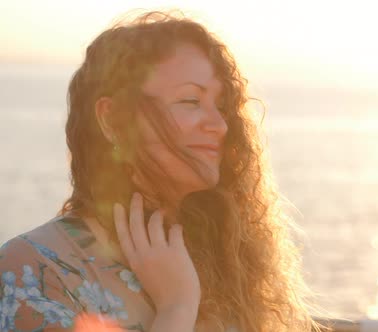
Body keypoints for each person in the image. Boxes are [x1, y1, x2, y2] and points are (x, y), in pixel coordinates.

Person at [0, 10, 326, 332]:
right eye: (190, 101)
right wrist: (177, 308)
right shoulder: (33, 271)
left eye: (222, 106)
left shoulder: (226, 263)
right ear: (113, 121)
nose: (219, 125)